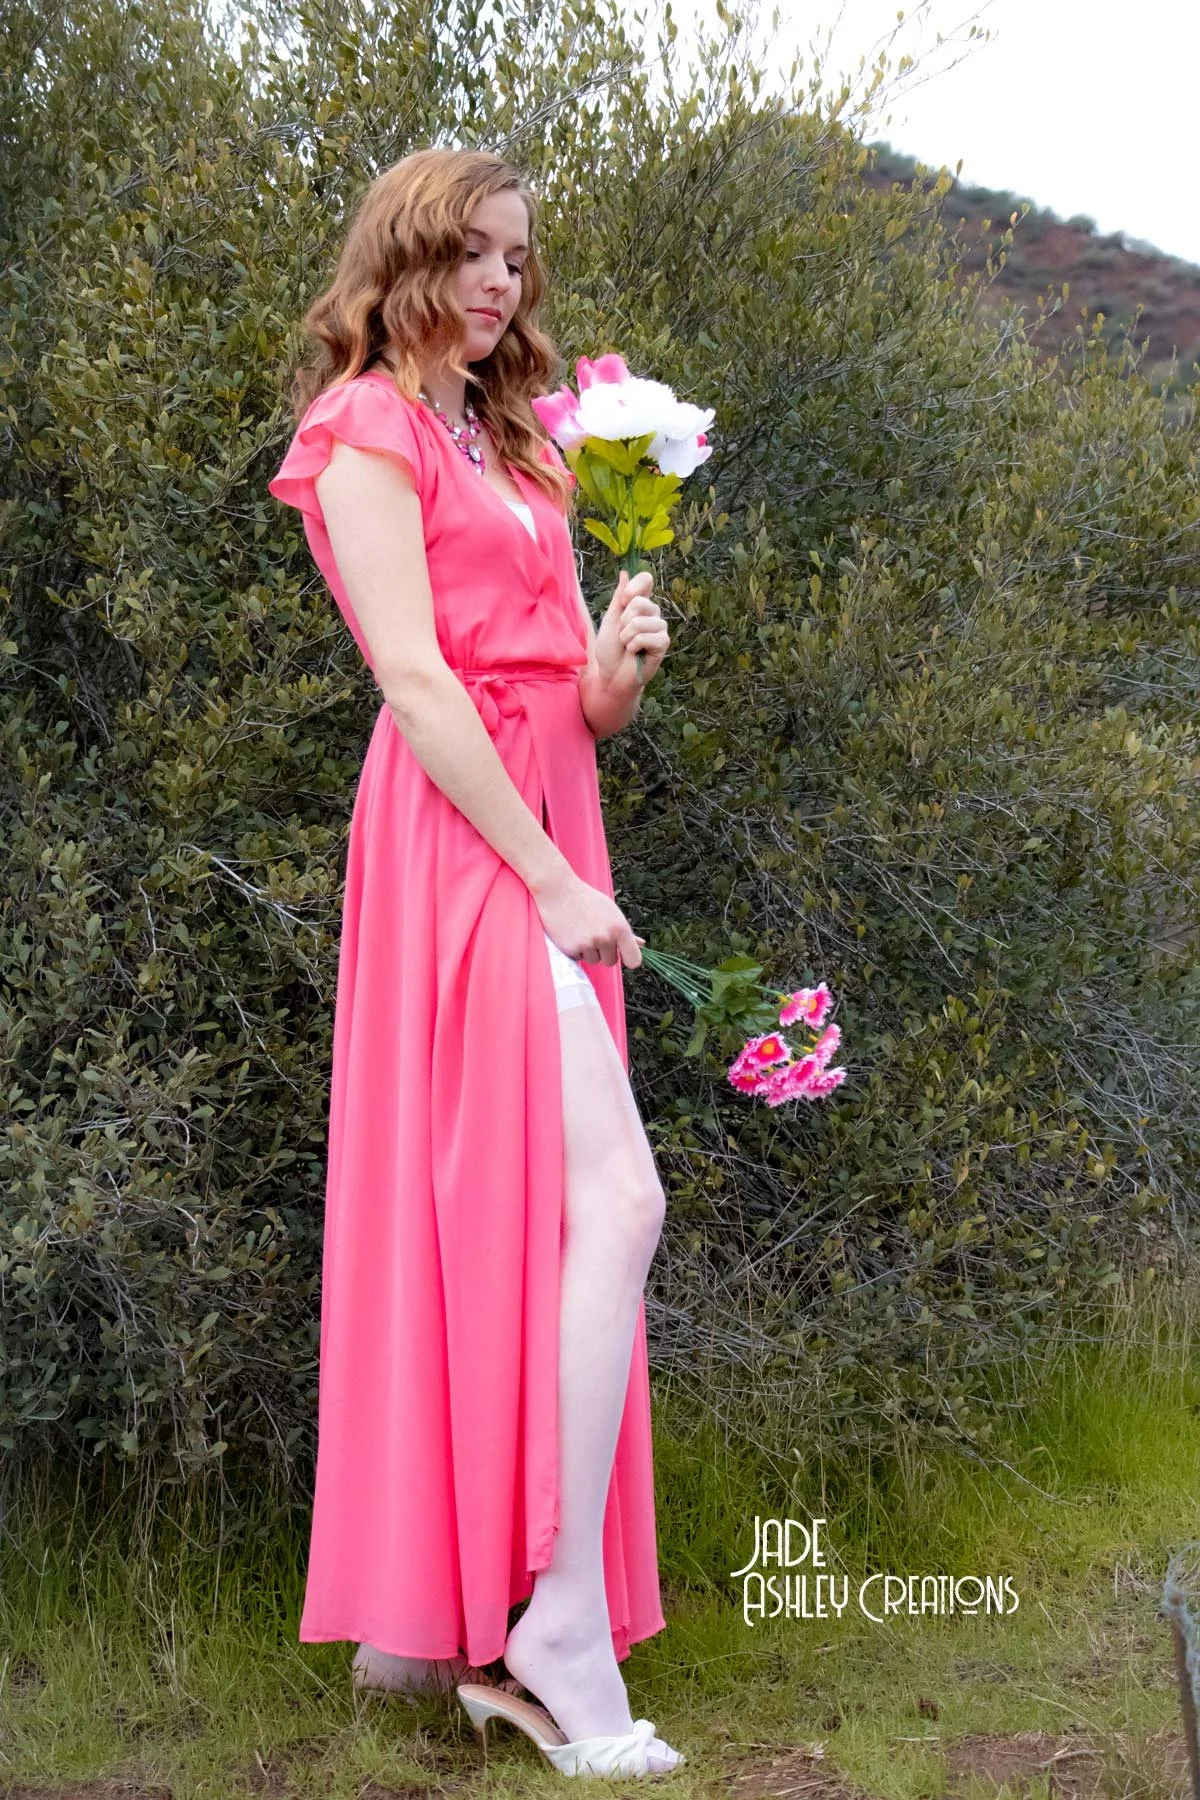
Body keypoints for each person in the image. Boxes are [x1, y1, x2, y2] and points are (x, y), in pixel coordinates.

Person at [267, 147, 684, 1774]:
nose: (506, 283)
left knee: (553, 1212)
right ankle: (551, 1623)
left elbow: (562, 700)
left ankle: (492, 1613)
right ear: (411, 255)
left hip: (546, 800)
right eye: (478, 253)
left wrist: (618, 666)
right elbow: (422, 686)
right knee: (615, 1201)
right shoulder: (365, 424)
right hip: (467, 838)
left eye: (520, 259)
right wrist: (546, 884)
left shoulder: (514, 438)